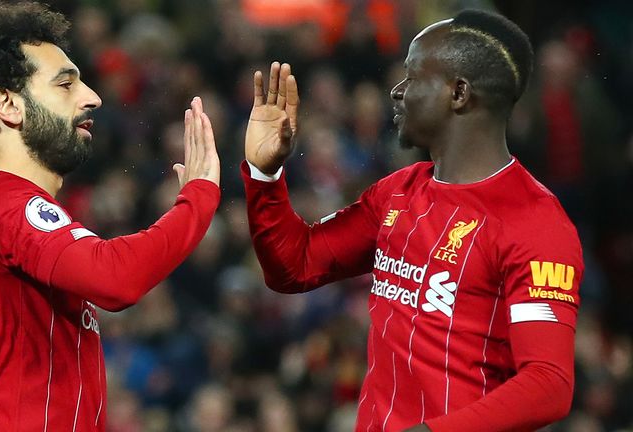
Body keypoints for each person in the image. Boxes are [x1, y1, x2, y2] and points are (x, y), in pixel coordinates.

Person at [242, 9, 582, 432]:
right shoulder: (397, 193)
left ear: (458, 94)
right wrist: (265, 175)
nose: (397, 91)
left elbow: (548, 384)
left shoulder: (536, 224)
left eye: (413, 76)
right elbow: (295, 265)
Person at [0, 2, 220, 430]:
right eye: (66, 85)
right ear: (7, 103)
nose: (92, 97)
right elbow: (115, 279)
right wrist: (199, 198)